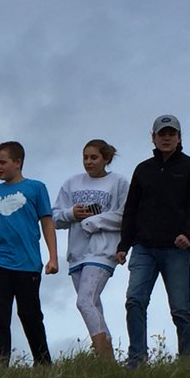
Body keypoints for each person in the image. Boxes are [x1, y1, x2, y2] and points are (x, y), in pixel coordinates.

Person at [115, 114, 190, 367]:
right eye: (162, 134)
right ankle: (136, 359)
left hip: (176, 249)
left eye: (171, 133)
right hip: (143, 248)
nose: (166, 138)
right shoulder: (143, 169)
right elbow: (131, 208)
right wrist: (124, 244)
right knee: (134, 301)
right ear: (153, 137)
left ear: (179, 138)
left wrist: (188, 234)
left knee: (180, 309)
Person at [0, 141, 58, 365]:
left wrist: (53, 257)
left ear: (18, 162)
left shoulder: (36, 188)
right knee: (0, 315)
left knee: (30, 314)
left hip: (27, 262)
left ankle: (43, 363)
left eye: (3, 162)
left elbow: (47, 223)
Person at [51, 139, 128, 360]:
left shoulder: (118, 183)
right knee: (93, 305)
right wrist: (72, 214)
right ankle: (109, 360)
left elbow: (125, 216)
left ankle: (102, 357)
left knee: (84, 301)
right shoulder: (72, 183)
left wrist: (93, 221)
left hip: (103, 252)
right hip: (76, 254)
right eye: (85, 157)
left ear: (106, 158)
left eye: (93, 157)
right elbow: (55, 217)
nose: (88, 162)